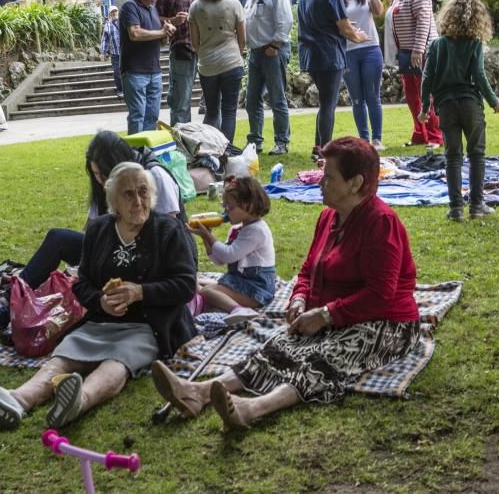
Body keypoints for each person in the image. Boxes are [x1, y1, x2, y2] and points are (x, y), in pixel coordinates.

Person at [151, 137, 420, 430]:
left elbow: (380, 295)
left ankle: (252, 408)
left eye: (328, 177)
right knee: (278, 345)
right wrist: (299, 300)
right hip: (335, 316)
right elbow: (307, 271)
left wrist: (326, 315)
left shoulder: (381, 223)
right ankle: (198, 392)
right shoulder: (329, 217)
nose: (320, 182)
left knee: (324, 356)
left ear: (355, 183)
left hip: (386, 324)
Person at [0, 162, 197, 429]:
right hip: (101, 322)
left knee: (119, 360)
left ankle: (79, 401)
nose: (138, 201)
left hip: (150, 325)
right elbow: (82, 282)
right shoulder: (99, 230)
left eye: (143, 192)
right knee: (65, 355)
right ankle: (17, 400)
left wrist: (140, 292)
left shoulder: (167, 229)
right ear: (113, 200)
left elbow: (185, 285)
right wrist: (100, 301)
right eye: (128, 194)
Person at [0, 130, 185, 333]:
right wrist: (84, 266)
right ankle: (6, 306)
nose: (101, 181)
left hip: (149, 259)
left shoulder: (153, 176)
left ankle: (9, 309)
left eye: (104, 174)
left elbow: (169, 236)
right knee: (59, 240)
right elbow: (92, 232)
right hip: (115, 249)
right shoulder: (107, 186)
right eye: (96, 174)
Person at [419, 0, 499, 222]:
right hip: (470, 105)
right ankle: (477, 206)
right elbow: (479, 76)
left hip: (446, 106)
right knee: (477, 154)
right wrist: (493, 101)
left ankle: (456, 209)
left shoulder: (436, 45)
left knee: (452, 157)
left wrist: (425, 106)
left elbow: (427, 77)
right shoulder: (474, 44)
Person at [297, 0, 371, 163]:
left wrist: (346, 28)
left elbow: (319, 21)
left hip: (310, 54)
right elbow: (344, 27)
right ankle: (324, 151)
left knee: (324, 102)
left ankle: (317, 146)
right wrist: (359, 36)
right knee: (329, 105)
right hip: (328, 54)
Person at [187, 175, 275, 326]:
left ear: (248, 205)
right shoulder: (238, 229)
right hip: (240, 281)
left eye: (229, 207)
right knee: (196, 281)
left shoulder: (256, 231)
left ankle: (239, 310)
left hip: (256, 289)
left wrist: (208, 236)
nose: (225, 212)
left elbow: (229, 255)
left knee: (206, 292)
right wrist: (207, 238)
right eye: (224, 206)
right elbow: (220, 260)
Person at [387, 0, 443, 149]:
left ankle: (436, 136)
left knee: (427, 93)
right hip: (406, 52)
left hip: (422, 51)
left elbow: (424, 20)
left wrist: (418, 50)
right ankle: (420, 133)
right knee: (412, 95)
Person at [243, 0, 294, 156]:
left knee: (276, 97)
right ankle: (255, 140)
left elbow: (285, 20)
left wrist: (274, 45)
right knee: (252, 98)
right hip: (256, 52)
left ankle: (281, 141)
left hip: (272, 50)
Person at [189, 0, 245, 143]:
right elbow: (242, 38)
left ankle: (210, 149)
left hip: (207, 65)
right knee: (229, 111)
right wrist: (238, 53)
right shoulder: (234, 4)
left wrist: (205, 53)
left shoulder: (196, 7)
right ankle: (226, 151)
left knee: (212, 111)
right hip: (231, 62)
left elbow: (195, 42)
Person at [119, 0, 175, 134]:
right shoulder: (130, 7)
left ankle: (148, 154)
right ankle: (136, 155)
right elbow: (135, 33)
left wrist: (167, 31)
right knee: (138, 115)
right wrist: (162, 33)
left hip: (154, 71)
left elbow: (159, 39)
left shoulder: (152, 9)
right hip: (135, 72)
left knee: (152, 116)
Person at [340, 0, 386, 150]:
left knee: (373, 95)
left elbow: (378, 11)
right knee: (357, 98)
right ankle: (364, 139)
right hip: (349, 51)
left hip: (370, 49)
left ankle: (377, 138)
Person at [157, 0, 201, 126]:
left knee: (214, 102)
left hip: (206, 46)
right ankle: (181, 144)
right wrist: (172, 21)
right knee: (181, 101)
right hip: (182, 47)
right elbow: (155, 18)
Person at [101, 6, 122, 98]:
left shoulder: (123, 22)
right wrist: (102, 52)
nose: (114, 13)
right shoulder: (107, 26)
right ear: (109, 14)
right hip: (115, 54)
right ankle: (120, 90)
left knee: (128, 72)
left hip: (126, 53)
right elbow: (104, 40)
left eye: (115, 11)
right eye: (112, 12)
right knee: (117, 73)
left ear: (118, 12)